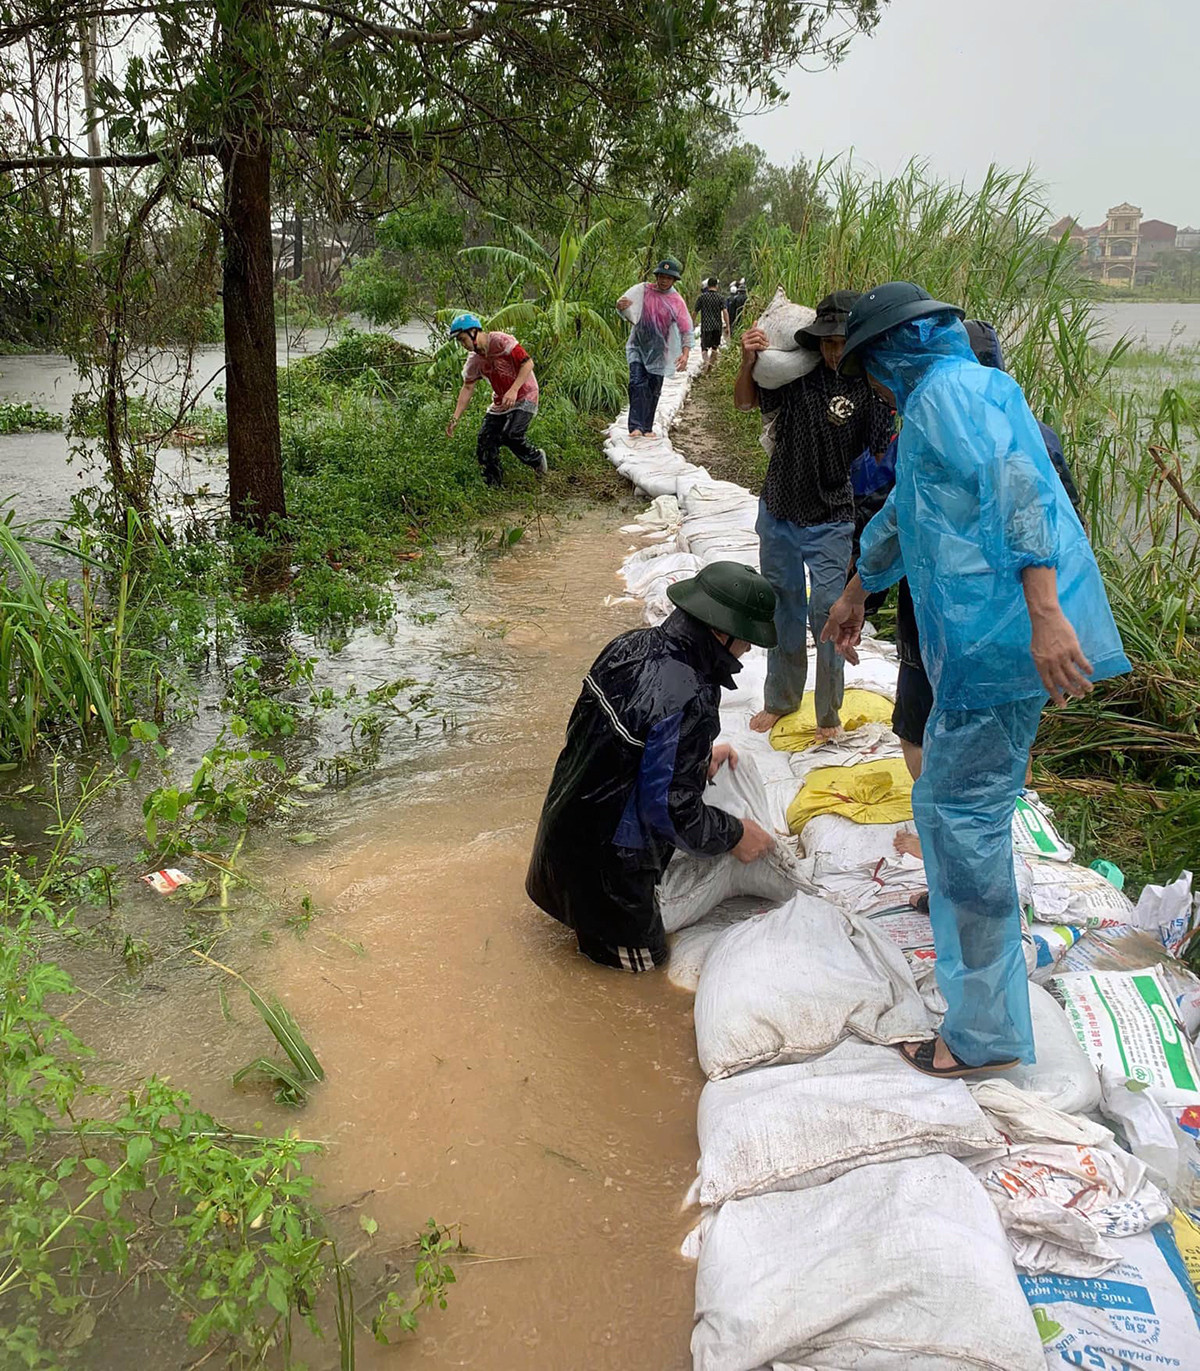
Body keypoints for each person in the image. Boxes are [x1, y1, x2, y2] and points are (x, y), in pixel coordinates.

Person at [823, 282, 1130, 1078]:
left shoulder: (949, 395)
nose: (874, 382)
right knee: (954, 811)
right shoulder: (948, 394)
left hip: (1001, 645)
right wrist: (859, 589)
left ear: (896, 350)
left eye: (872, 365)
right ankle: (984, 1006)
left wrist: (1043, 610)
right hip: (981, 647)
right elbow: (903, 514)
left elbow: (1018, 487)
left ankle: (983, 1033)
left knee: (965, 823)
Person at [526, 562, 777, 972]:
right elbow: (669, 813)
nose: (747, 650)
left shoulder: (628, 646)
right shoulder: (690, 695)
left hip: (563, 837)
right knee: (640, 978)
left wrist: (693, 761)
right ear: (719, 631)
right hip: (611, 879)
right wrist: (734, 834)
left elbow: (600, 742)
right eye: (745, 640)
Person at [889, 318, 1085, 787]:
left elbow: (901, 523)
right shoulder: (1031, 433)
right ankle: (984, 819)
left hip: (961, 616)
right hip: (1003, 621)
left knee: (927, 725)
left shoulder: (959, 431)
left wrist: (1045, 611)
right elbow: (1070, 524)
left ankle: (954, 824)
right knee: (1004, 732)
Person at [733, 289, 893, 737]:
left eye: (843, 341)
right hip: (780, 507)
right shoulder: (795, 376)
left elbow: (877, 463)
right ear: (816, 340)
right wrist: (747, 362)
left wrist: (862, 536)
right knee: (783, 606)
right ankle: (781, 699)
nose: (835, 351)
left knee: (830, 612)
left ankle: (828, 715)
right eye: (827, 342)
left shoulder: (869, 391)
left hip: (831, 517)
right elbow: (745, 403)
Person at [445, 313, 547, 488]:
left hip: (525, 394)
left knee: (511, 435)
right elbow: (467, 388)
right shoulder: (474, 361)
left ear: (474, 332)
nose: (463, 345)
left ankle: (536, 459)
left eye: (463, 340)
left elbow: (528, 363)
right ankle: (493, 485)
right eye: (460, 342)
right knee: (485, 442)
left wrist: (514, 390)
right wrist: (455, 418)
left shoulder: (501, 341)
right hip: (501, 402)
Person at [616, 258, 694, 438]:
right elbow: (627, 308)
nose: (664, 280)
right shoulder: (644, 291)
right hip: (637, 345)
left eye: (668, 278)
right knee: (636, 383)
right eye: (661, 276)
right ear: (657, 276)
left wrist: (685, 353)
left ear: (674, 280)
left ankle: (647, 426)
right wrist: (620, 307)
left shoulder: (676, 301)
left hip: (659, 351)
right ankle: (635, 426)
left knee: (653, 388)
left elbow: (686, 328)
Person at [694, 278, 730, 375]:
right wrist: (727, 326)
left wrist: (691, 323)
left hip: (706, 326)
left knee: (704, 348)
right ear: (716, 286)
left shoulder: (702, 297)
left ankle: (706, 363)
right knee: (715, 347)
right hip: (717, 327)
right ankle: (710, 366)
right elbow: (725, 312)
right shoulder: (720, 298)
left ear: (707, 286)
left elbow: (695, 312)